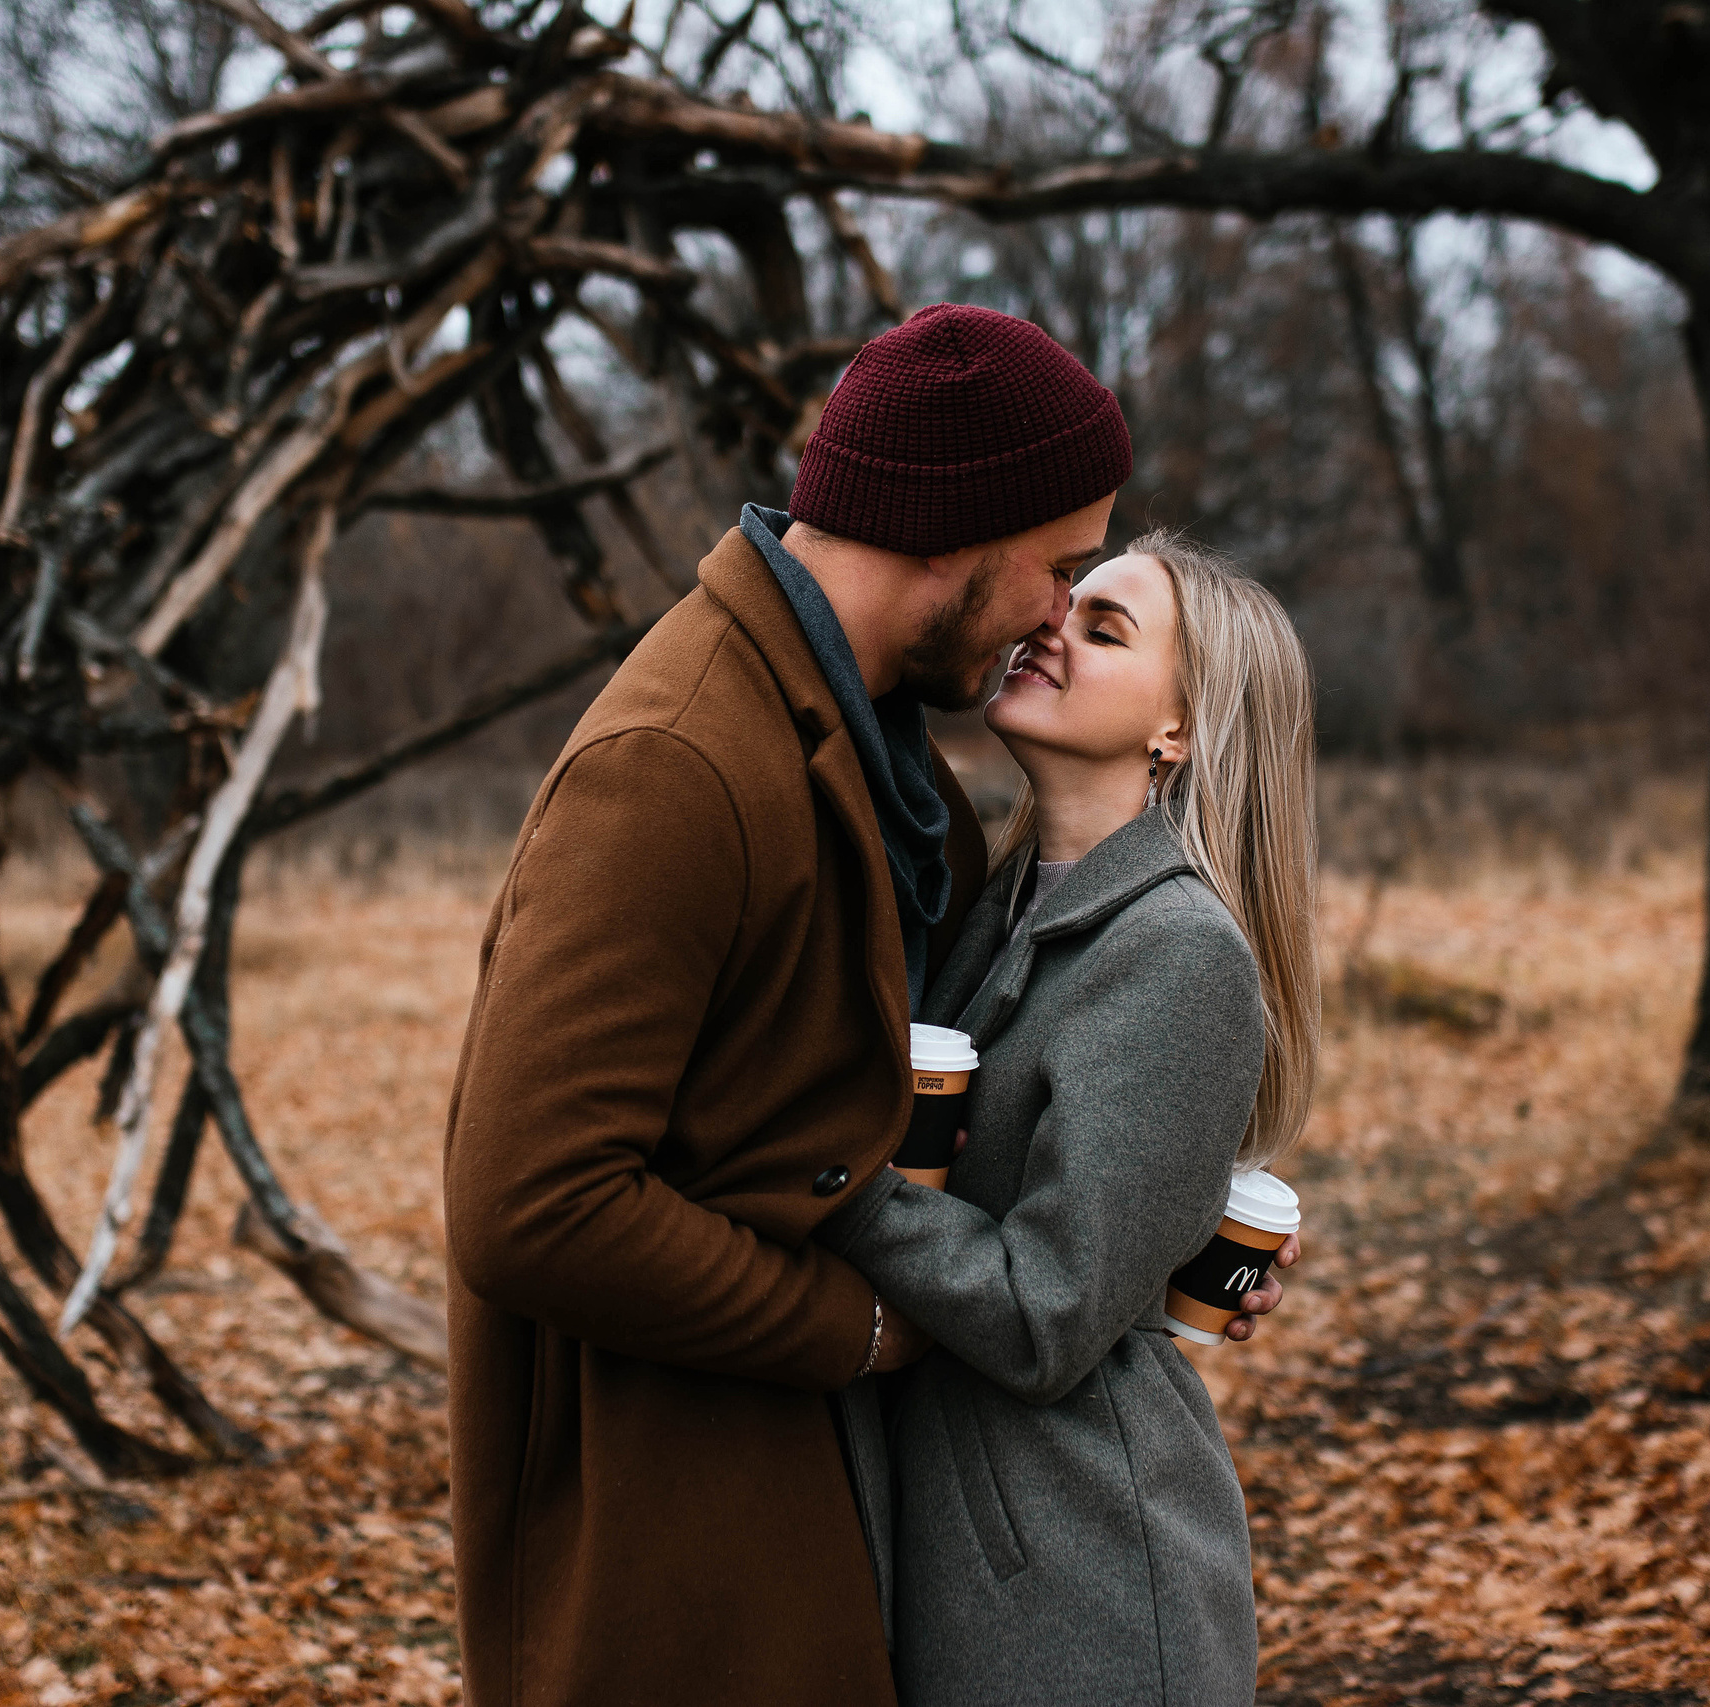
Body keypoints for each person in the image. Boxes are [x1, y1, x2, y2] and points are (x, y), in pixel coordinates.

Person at [439, 306, 1285, 1707]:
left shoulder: (887, 767)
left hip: (860, 1523)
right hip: (682, 1527)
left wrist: (1167, 1215)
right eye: (1058, 569)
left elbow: (944, 1114)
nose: (1050, 617)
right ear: (955, 530)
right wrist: (864, 1325)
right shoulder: (678, 760)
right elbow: (531, 1203)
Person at [817, 530, 1321, 1707]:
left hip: (1081, 1583)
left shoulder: (1179, 951)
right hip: (976, 1552)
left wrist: (829, 1178)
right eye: (1066, 603)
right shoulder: (995, 902)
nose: (1052, 628)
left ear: (1175, 730)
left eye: (1105, 629)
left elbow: (1048, 1314)